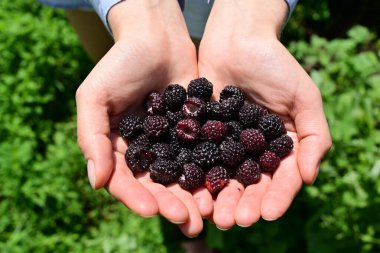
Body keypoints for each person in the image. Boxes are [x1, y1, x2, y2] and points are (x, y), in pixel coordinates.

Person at [39, 0, 332, 239]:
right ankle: (189, 236)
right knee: (108, 53)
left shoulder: (222, 128)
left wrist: (249, 16)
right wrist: (144, 17)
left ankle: (190, 236)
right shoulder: (173, 129)